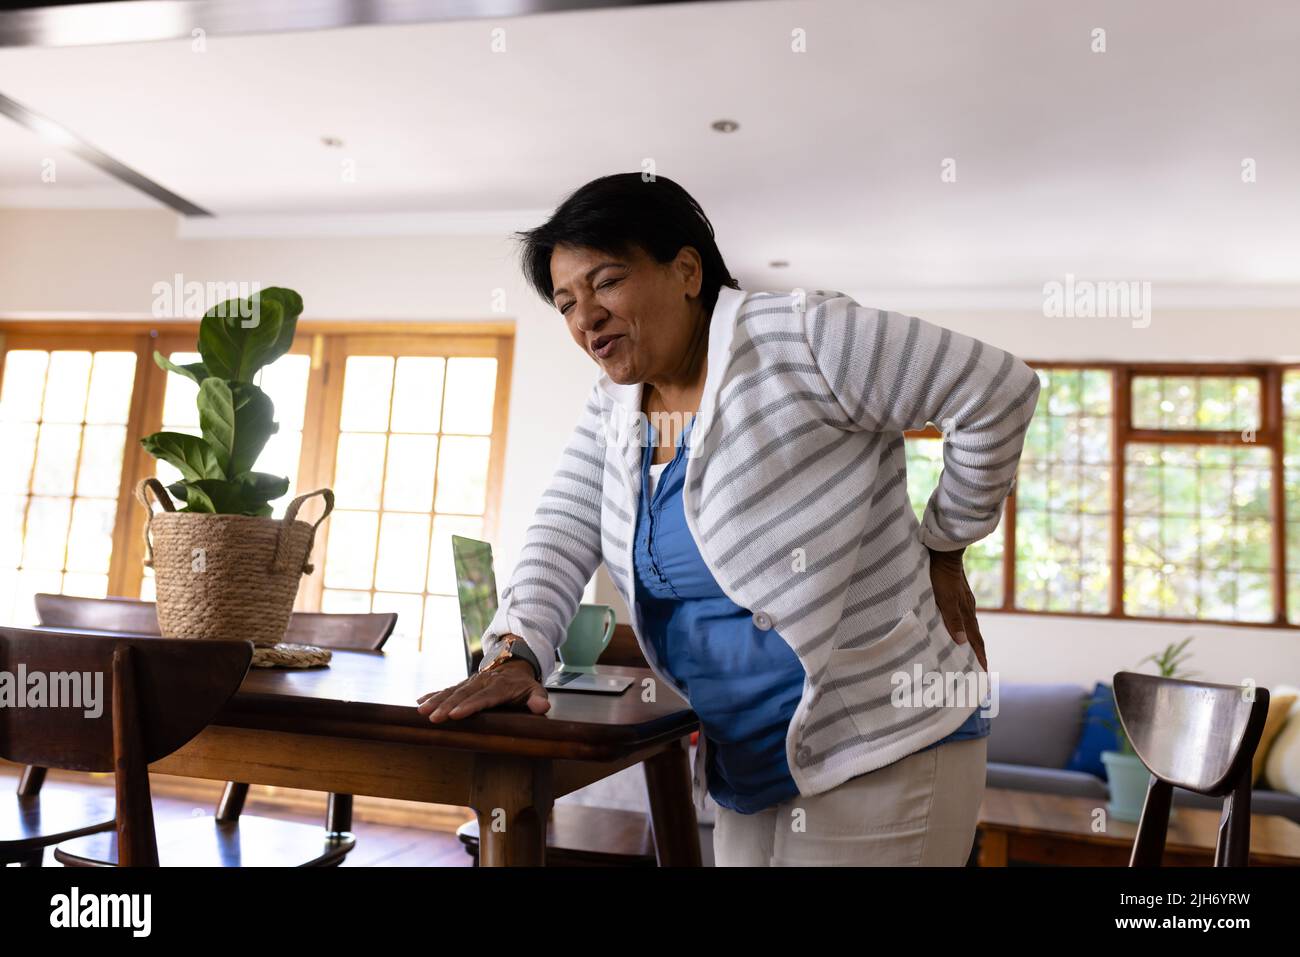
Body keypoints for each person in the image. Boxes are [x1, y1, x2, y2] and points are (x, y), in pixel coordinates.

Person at [417, 173, 1039, 865]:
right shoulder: (614, 407)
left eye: (608, 281)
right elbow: (562, 529)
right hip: (749, 761)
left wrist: (946, 540)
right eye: (566, 301)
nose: (585, 315)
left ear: (686, 270)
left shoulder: (802, 336)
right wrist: (515, 650)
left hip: (882, 747)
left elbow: (997, 388)